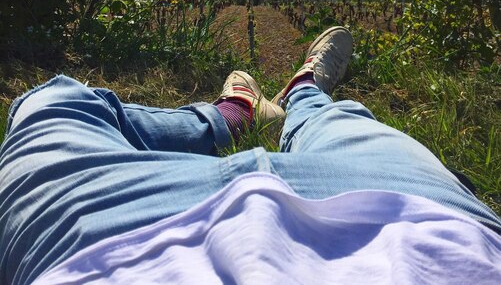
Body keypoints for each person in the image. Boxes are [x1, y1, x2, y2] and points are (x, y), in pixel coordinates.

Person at [0, 27, 499, 284]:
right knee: (343, 120)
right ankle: (304, 93)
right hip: (409, 219)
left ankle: (235, 113)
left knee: (54, 102)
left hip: (104, 237)